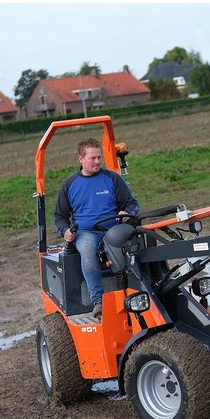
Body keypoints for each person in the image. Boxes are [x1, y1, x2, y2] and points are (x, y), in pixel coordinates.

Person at [54, 137, 139, 320]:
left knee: (135, 245)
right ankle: (98, 301)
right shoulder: (69, 184)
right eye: (92, 158)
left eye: (99, 157)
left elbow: (132, 204)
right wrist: (65, 231)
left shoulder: (112, 178)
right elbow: (60, 217)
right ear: (81, 159)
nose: (97, 161)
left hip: (113, 229)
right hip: (86, 233)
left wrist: (127, 212)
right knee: (87, 249)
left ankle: (135, 292)